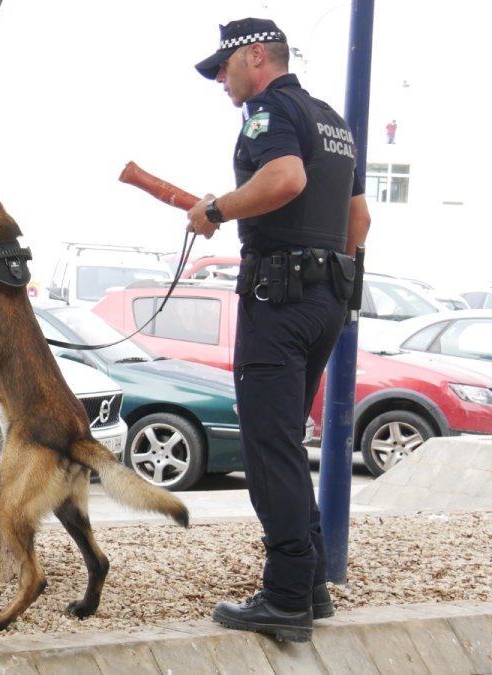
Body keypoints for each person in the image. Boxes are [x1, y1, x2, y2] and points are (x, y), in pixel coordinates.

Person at [187, 18, 371, 642]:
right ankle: (312, 584)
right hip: (322, 302)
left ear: (256, 56)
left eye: (224, 67)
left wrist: (215, 209)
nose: (219, 80)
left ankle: (286, 596)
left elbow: (284, 178)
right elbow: (359, 217)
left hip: (280, 301)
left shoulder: (269, 109)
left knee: (268, 449)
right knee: (286, 442)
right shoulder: (333, 121)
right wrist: (332, 280)